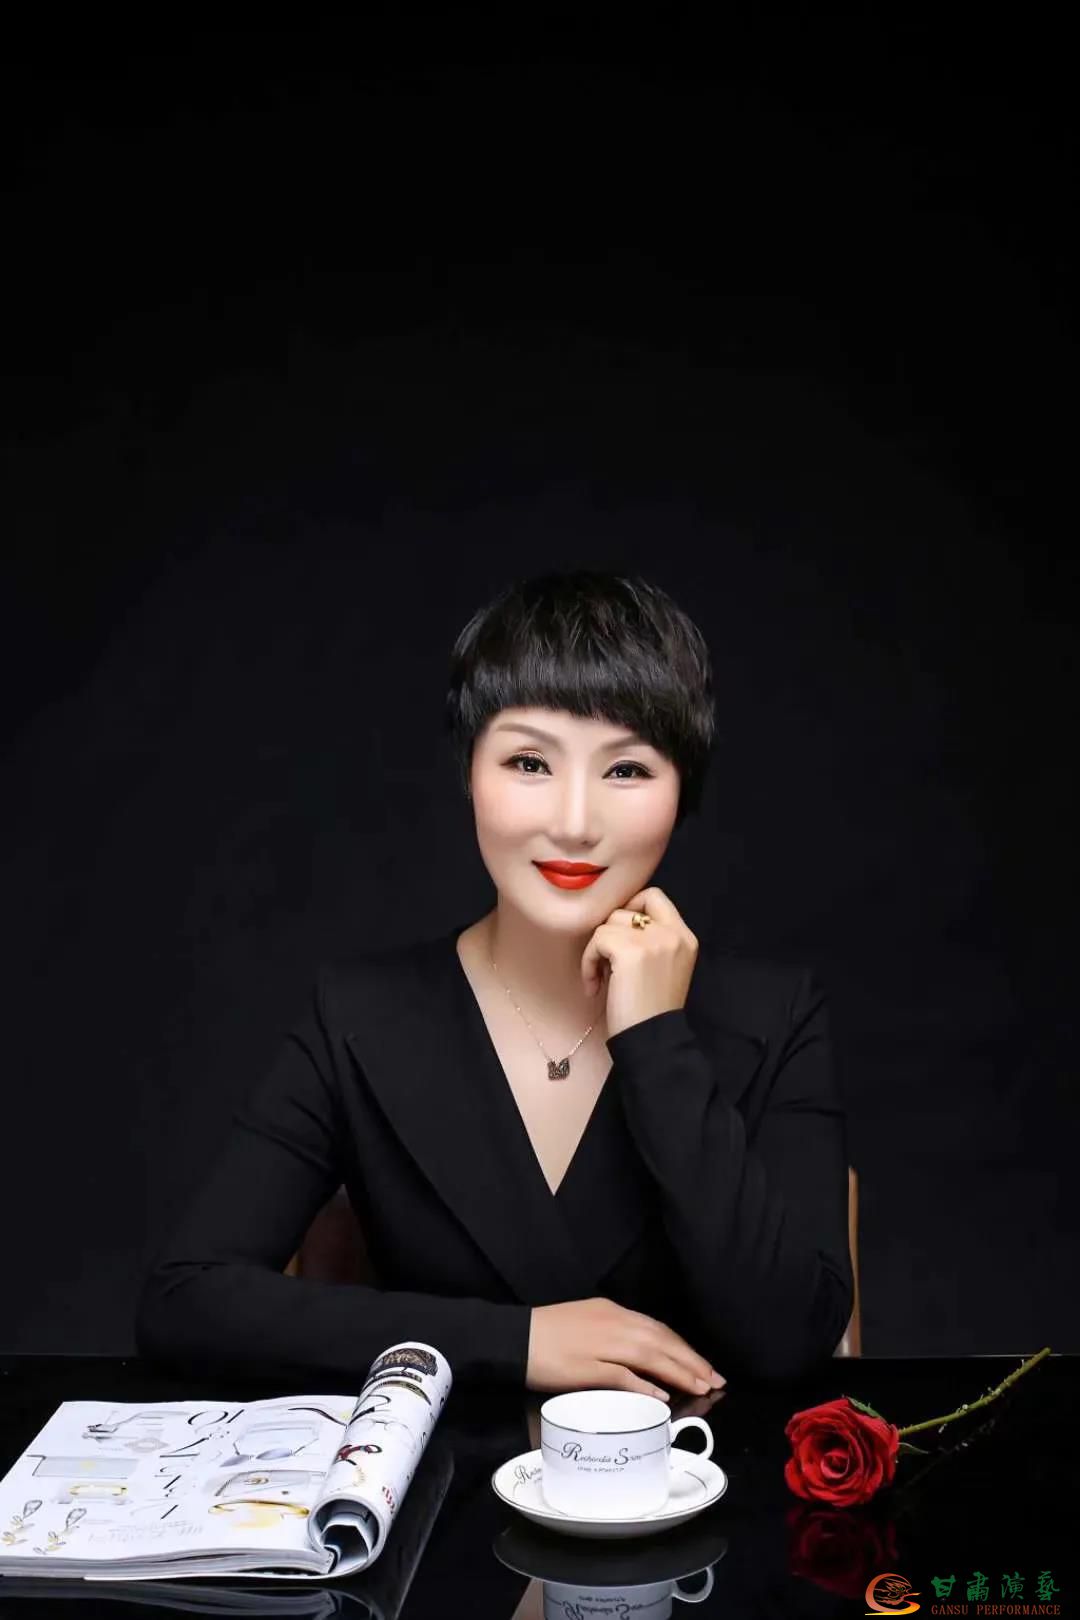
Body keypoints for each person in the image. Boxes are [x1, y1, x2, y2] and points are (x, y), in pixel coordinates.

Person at [135, 569, 854, 1394]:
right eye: (528, 761)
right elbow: (184, 1303)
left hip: (702, 1477)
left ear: (682, 790)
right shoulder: (360, 1017)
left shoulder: (775, 1015)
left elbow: (791, 1343)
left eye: (626, 770)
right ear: (469, 770)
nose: (574, 823)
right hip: (443, 1476)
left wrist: (657, 1041)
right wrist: (515, 1342)